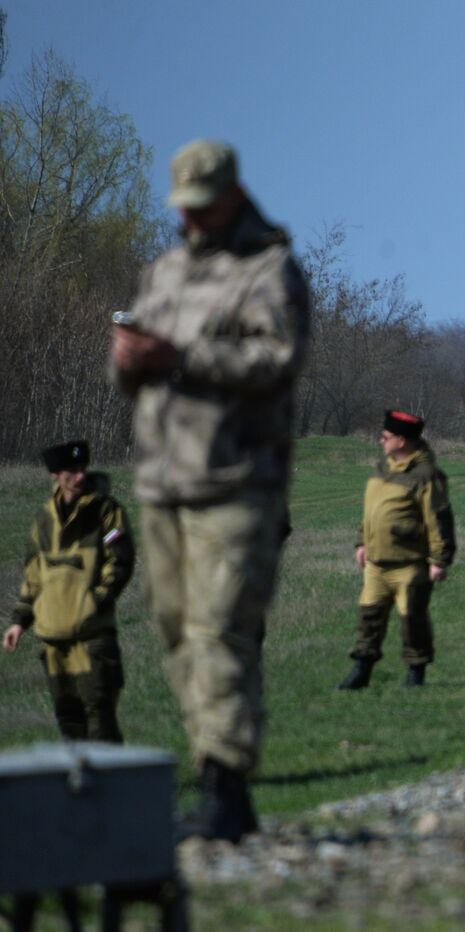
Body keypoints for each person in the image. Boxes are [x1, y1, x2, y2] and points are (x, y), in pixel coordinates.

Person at [109, 139, 309, 843]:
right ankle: (212, 769)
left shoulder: (268, 270)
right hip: (164, 479)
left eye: (203, 206)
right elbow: (137, 369)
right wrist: (130, 364)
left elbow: (277, 357)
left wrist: (180, 355)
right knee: (173, 629)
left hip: (236, 481)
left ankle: (227, 787)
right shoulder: (163, 272)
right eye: (183, 208)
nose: (191, 220)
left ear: (231, 196)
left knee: (220, 629)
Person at [4, 441, 134, 743]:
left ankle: (112, 785)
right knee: (68, 720)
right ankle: (77, 787)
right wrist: (18, 622)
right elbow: (34, 576)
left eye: (82, 469)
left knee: (99, 717)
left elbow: (121, 562)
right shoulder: (43, 520)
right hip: (53, 641)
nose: (79, 477)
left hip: (92, 638)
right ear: (55, 475)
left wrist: (95, 601)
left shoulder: (106, 512)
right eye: (70, 471)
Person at [338, 411, 455, 690]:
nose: (381, 440)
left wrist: (439, 560)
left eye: (386, 436)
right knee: (369, 618)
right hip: (376, 564)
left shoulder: (427, 476)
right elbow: (371, 512)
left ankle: (416, 675)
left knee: (412, 619)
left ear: (402, 440)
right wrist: (362, 543)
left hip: (409, 564)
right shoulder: (383, 469)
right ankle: (361, 672)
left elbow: (438, 519)